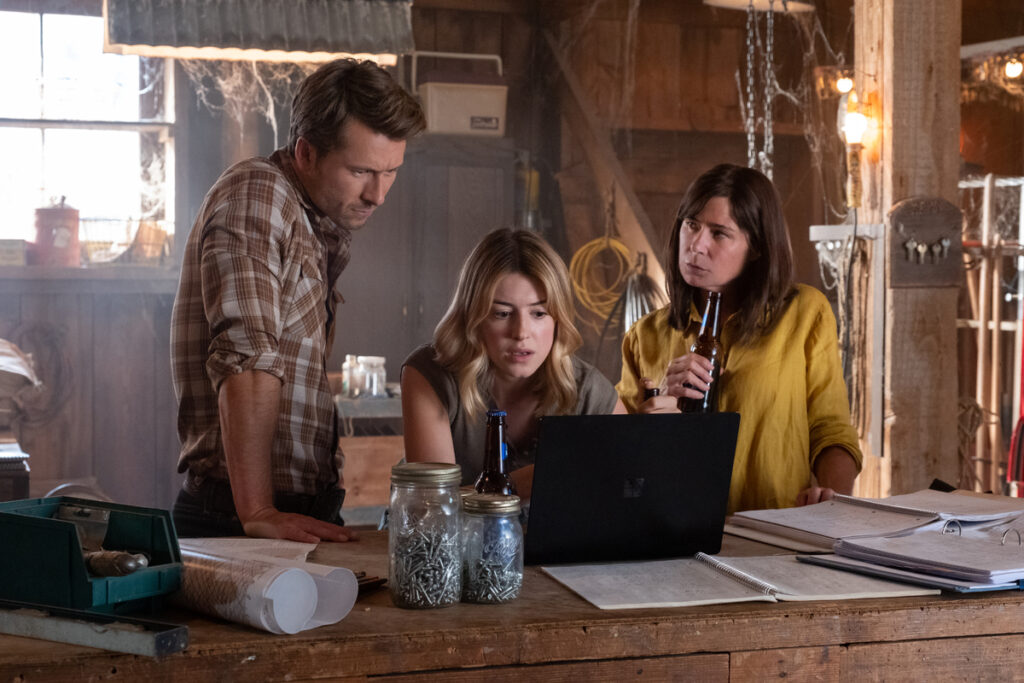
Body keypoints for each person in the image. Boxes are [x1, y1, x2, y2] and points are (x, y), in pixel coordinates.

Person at [170, 59, 426, 541]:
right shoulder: (259, 194)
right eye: (361, 171)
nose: (379, 194)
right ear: (306, 152)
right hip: (242, 520)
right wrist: (259, 510)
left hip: (284, 514)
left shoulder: (306, 217)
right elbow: (246, 358)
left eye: (391, 171)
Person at [617, 163, 862, 513]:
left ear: (757, 247)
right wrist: (655, 421)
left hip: (774, 535)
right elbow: (616, 457)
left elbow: (831, 430)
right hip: (669, 535)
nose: (696, 246)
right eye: (692, 225)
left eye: (719, 233)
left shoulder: (805, 314)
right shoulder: (645, 336)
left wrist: (831, 503)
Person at [402, 228, 627, 500]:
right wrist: (521, 483)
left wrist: (657, 434)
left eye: (539, 313)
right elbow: (433, 507)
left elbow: (631, 489)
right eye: (502, 313)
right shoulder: (430, 374)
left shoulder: (588, 389)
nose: (521, 332)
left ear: (558, 319)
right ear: (473, 318)